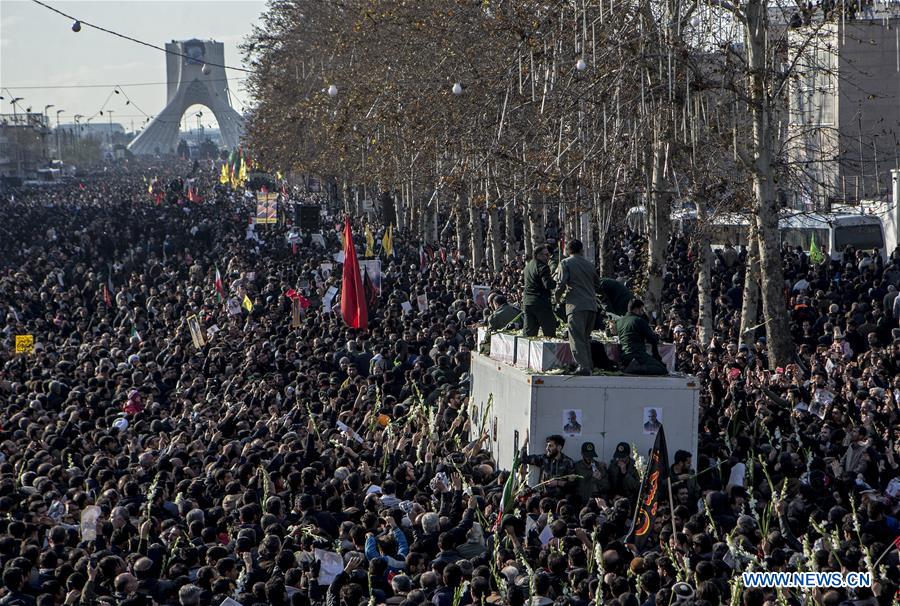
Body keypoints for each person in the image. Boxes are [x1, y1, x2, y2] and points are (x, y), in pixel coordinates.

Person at [555, 239, 601, 375]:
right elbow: (598, 284)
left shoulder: (565, 263)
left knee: (576, 337)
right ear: (581, 250)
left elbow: (562, 283)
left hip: (576, 305)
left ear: (568, 251)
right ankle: (589, 365)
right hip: (591, 305)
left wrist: (557, 298)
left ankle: (583, 366)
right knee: (585, 337)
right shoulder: (590, 265)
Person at [616, 298, 667, 375]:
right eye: (641, 309)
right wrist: (656, 336)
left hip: (624, 356)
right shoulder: (639, 320)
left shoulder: (619, 321)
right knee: (662, 369)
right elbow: (652, 338)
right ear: (637, 309)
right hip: (637, 355)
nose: (642, 312)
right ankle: (637, 368)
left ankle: (632, 367)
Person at [522, 245, 557, 337]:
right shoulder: (543, 267)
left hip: (527, 302)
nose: (548, 257)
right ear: (538, 255)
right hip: (540, 303)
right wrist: (556, 281)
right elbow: (548, 285)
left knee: (529, 332)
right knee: (549, 330)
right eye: (546, 255)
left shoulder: (528, 266)